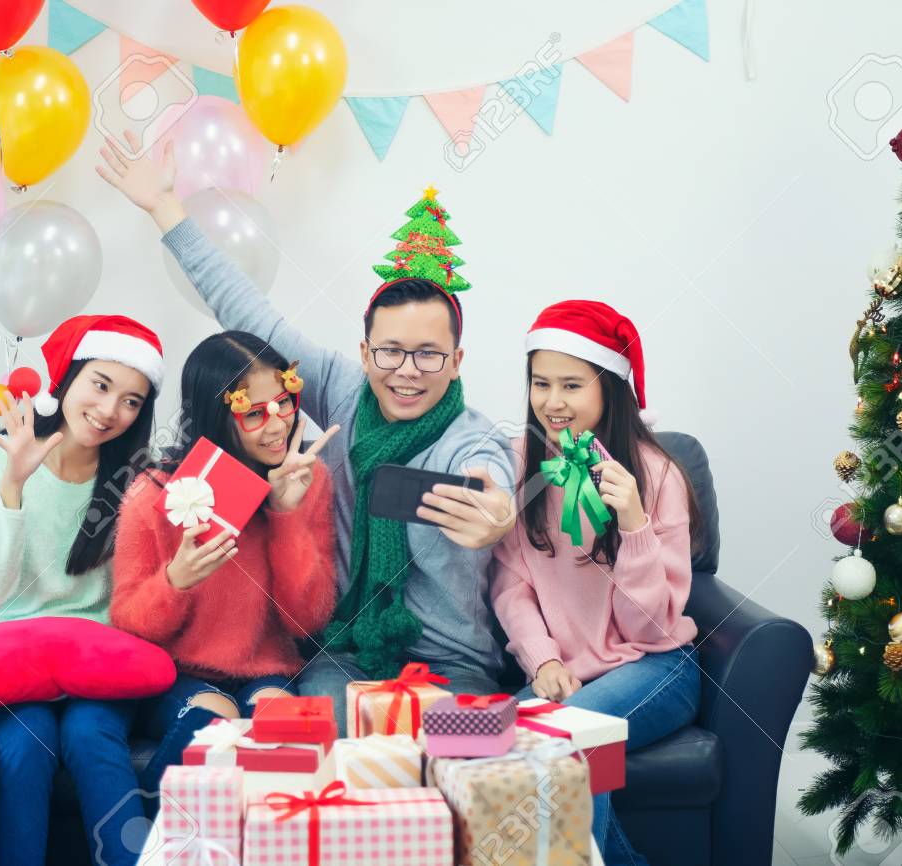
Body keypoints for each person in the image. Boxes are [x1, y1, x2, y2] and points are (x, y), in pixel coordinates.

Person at [95, 131, 518, 730]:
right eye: (391, 352)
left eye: (428, 354)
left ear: (456, 361)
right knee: (328, 743)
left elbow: (493, 477)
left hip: (452, 665)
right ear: (366, 354)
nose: (406, 372)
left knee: (464, 762)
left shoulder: (472, 438)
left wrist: (499, 509)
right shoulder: (341, 389)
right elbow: (245, 313)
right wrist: (167, 209)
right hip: (343, 659)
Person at [489, 300, 702, 866]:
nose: (553, 402)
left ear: (609, 388)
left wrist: (633, 525)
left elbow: (651, 628)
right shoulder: (519, 466)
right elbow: (511, 586)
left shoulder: (656, 477)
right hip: (563, 672)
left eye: (572, 385)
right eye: (541, 383)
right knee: (493, 752)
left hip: (655, 665)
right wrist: (543, 661)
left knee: (564, 745)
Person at [0, 314, 165, 866]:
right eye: (100, 385)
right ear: (67, 378)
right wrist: (13, 487)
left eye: (131, 401)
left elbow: (137, 600)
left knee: (91, 735)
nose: (109, 410)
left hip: (98, 659)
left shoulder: (137, 478)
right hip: (8, 653)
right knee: (28, 742)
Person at [110, 331, 339, 796]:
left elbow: (308, 620)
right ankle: (153, 845)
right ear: (217, 416)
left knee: (278, 717)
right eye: (253, 413)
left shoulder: (309, 480)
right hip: (179, 674)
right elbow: (127, 621)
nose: (277, 425)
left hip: (268, 671)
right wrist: (175, 581)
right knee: (217, 718)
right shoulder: (154, 491)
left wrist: (285, 515)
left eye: (284, 402)